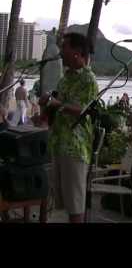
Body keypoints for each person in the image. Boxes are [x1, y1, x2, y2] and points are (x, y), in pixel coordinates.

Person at [39, 33, 98, 223]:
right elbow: (58, 103)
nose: (61, 51)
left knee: (75, 205)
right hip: (59, 142)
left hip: (75, 147)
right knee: (62, 202)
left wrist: (57, 104)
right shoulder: (65, 78)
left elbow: (83, 109)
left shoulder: (88, 79)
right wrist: (46, 106)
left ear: (77, 52)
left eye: (65, 47)